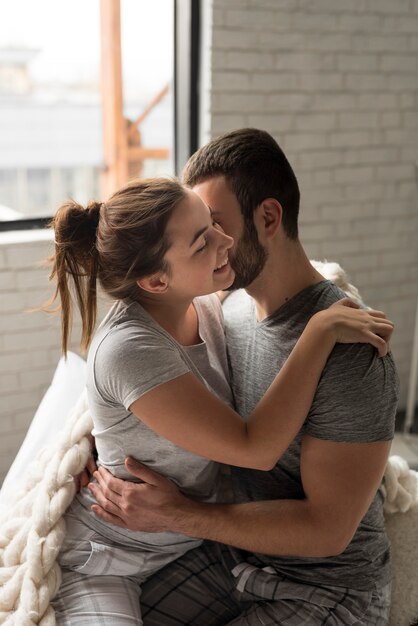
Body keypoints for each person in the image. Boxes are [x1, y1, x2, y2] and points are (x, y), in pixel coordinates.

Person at [46, 176, 391, 626]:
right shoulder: (131, 348)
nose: (226, 240)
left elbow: (286, 281)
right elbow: (257, 448)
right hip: (111, 553)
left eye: (213, 222)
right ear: (154, 280)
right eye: (201, 241)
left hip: (187, 544)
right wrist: (318, 332)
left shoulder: (202, 304)